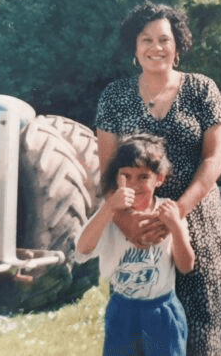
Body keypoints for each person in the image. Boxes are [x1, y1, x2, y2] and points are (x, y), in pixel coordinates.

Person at [94, 1, 221, 355]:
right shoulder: (114, 96)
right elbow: (107, 171)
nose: (155, 47)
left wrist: (177, 212)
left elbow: (214, 159)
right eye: (146, 39)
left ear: (178, 45)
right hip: (138, 234)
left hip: (197, 225)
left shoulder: (201, 89)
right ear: (134, 48)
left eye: (164, 39)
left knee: (205, 327)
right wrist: (126, 222)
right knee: (141, 333)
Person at [75, 133, 194, 356]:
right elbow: (82, 250)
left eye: (143, 177)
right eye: (126, 176)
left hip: (161, 310)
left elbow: (186, 266)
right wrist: (109, 208)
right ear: (116, 178)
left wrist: (176, 228)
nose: (134, 184)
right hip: (123, 309)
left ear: (159, 178)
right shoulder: (111, 214)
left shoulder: (168, 212)